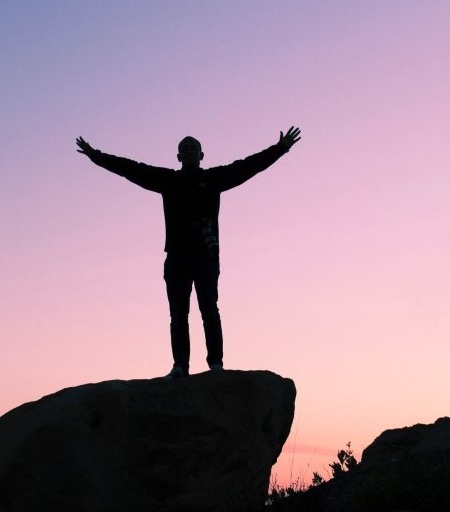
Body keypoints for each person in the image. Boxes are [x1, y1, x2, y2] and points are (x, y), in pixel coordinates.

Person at [75, 126, 301, 378]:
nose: (189, 151)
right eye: (185, 149)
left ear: (202, 155)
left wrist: (280, 149)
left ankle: (215, 364)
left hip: (206, 256)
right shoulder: (169, 181)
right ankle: (180, 366)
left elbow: (248, 166)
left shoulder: (214, 179)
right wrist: (96, 156)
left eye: (193, 148)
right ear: (178, 157)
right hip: (177, 258)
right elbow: (131, 169)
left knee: (209, 309)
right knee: (178, 315)